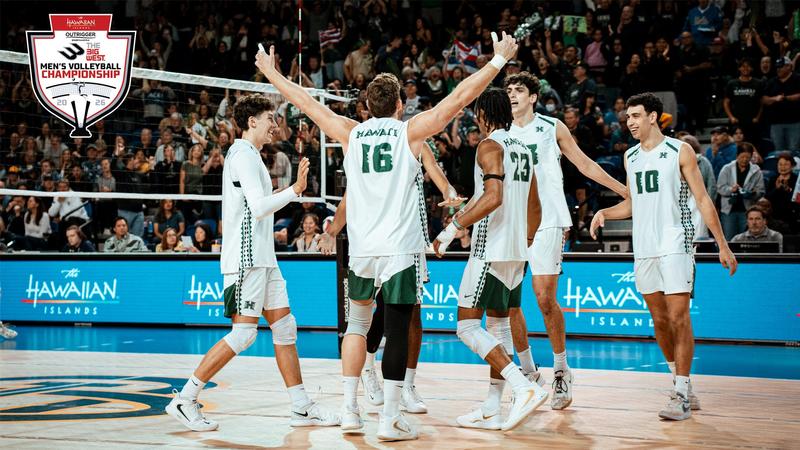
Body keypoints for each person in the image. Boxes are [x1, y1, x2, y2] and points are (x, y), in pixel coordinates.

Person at [258, 31, 519, 441]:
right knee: (397, 329)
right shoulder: (409, 132)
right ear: (399, 105)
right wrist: (498, 60)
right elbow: (459, 98)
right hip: (399, 249)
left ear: (367, 106)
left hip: (362, 250)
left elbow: (305, 102)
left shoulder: (349, 131)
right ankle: (390, 418)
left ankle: (349, 410)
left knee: (357, 328)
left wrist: (273, 74)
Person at [165, 94, 338, 432]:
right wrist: (296, 189)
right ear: (252, 121)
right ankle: (185, 399)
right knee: (243, 334)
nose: (276, 124)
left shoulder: (253, 155)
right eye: (270, 118)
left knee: (285, 328)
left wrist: (292, 191)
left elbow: (259, 207)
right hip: (246, 259)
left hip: (263, 258)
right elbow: (259, 207)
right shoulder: (242, 154)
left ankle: (302, 407)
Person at [590, 93, 737, 421]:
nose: (629, 122)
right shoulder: (630, 156)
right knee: (659, 320)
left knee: (679, 317)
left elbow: (703, 199)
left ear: (653, 117)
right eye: (627, 117)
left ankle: (681, 394)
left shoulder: (680, 150)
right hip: (644, 246)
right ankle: (680, 381)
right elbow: (633, 203)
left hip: (676, 242)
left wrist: (722, 244)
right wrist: (605, 213)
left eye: (636, 116)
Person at [504, 71, 627, 412]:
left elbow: (584, 164)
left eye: (518, 90)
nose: (512, 95)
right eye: (509, 90)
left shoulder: (551, 126)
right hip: (512, 223)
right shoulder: (501, 131)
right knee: (509, 302)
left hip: (549, 219)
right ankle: (528, 373)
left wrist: (622, 189)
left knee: (544, 299)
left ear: (533, 97)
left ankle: (561, 370)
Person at [431, 87, 547, 431]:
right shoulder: (523, 149)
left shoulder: (489, 145)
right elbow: (534, 206)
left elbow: (494, 197)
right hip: (516, 250)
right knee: (498, 327)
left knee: (467, 326)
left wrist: (452, 228)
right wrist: (524, 240)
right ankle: (492, 407)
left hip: (490, 248)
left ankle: (523, 386)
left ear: (483, 115)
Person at [716, 142, 765, 240]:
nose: (745, 160)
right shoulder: (727, 169)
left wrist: (752, 193)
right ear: (737, 156)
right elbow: (720, 188)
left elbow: (761, 190)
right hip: (729, 211)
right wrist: (731, 189)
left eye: (748, 157)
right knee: (729, 238)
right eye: (742, 157)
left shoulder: (756, 171)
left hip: (747, 211)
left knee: (746, 239)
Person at [761, 56, 800, 151]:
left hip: (795, 122)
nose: (778, 69)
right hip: (776, 123)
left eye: (781, 67)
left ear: (789, 66)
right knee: (778, 150)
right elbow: (764, 99)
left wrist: (786, 98)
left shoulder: (798, 79)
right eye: (777, 67)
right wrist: (775, 99)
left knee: (793, 150)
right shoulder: (772, 82)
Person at [765, 152, 798, 232]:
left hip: (792, 217)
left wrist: (788, 189)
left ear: (792, 166)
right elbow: (767, 198)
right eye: (780, 164)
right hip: (775, 217)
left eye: (786, 164)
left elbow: (797, 199)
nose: (783, 167)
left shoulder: (796, 179)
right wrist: (776, 188)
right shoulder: (773, 179)